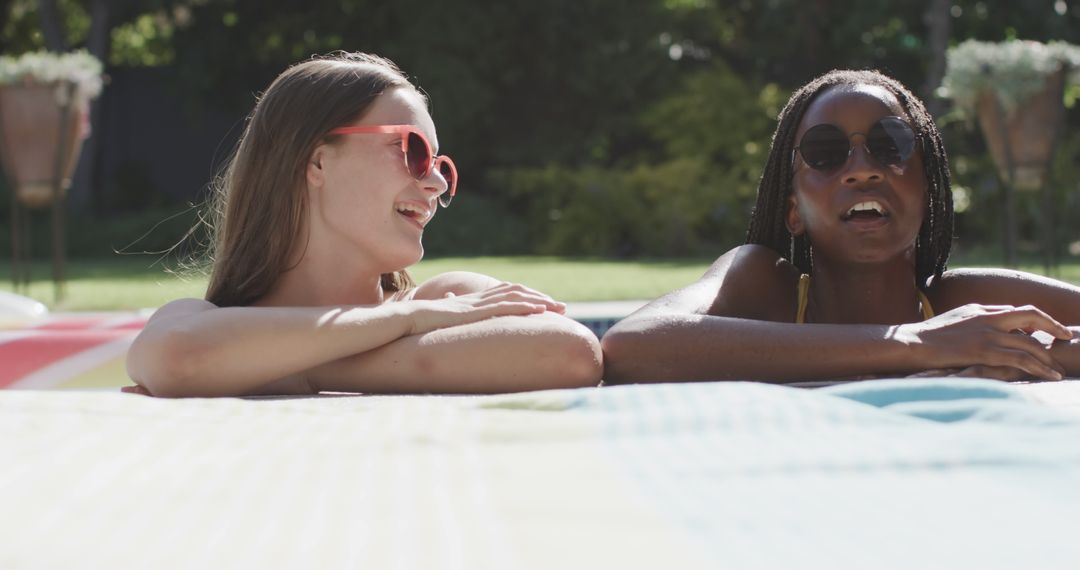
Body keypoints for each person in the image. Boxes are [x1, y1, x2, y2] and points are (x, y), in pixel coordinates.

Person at [126, 52, 602, 397]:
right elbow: (179, 359)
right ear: (315, 163)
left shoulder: (445, 299)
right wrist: (403, 325)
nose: (436, 182)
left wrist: (299, 368)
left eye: (440, 163)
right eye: (412, 149)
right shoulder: (199, 321)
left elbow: (569, 351)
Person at [601, 69, 1080, 385]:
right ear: (793, 210)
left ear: (928, 194)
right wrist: (919, 345)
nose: (861, 169)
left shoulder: (963, 306)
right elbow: (630, 346)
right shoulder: (764, 288)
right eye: (826, 153)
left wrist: (1032, 357)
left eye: (890, 144)